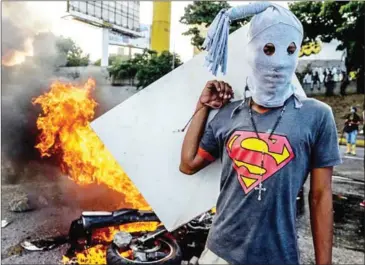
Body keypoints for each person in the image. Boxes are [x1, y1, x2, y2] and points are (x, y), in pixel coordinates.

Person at [180, 2, 341, 265]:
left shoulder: (317, 116)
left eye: (289, 50)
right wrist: (201, 107)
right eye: (268, 49)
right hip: (219, 254)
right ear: (252, 51)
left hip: (279, 256)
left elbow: (321, 196)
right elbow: (188, 164)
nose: (278, 62)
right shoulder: (228, 114)